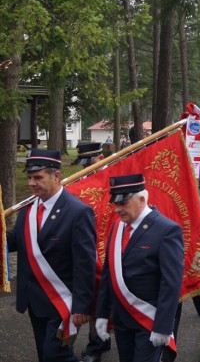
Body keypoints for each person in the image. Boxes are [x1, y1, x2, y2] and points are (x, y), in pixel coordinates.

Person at [7, 149, 96, 362]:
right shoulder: (28, 209)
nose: (31, 183)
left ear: (56, 176)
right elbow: (17, 240)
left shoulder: (78, 212)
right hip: (34, 300)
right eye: (29, 177)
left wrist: (82, 306)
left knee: (56, 355)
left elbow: (85, 264)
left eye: (38, 177)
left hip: (62, 302)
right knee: (45, 356)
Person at [95, 174, 184, 362]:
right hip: (122, 318)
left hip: (148, 320)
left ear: (142, 200)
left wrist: (163, 326)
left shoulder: (167, 230)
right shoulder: (117, 227)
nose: (117, 209)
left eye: (123, 203)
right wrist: (102, 314)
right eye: (115, 204)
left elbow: (171, 283)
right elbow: (108, 273)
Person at [163, 178, 200, 362]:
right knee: (170, 307)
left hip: (198, 260)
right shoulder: (167, 187)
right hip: (172, 259)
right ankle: (169, 350)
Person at [71, 143, 111, 362]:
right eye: (83, 165)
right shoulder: (79, 185)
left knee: (106, 298)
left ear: (101, 157)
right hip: (90, 248)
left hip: (113, 247)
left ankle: (103, 340)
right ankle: (98, 342)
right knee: (93, 296)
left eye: (91, 163)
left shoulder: (115, 177)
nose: (86, 169)